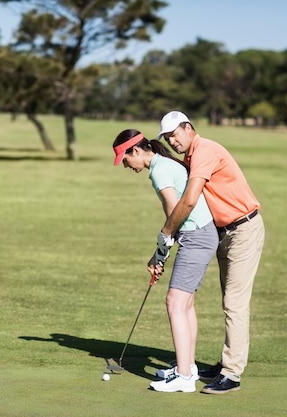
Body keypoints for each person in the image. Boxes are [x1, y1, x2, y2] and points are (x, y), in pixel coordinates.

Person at [152, 110, 265, 394]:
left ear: (188, 128)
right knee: (228, 301)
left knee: (234, 304)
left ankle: (232, 373)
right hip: (223, 232)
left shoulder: (205, 150)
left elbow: (189, 200)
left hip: (243, 228)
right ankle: (224, 363)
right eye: (167, 138)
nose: (172, 142)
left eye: (174, 135)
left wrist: (166, 233)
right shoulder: (191, 156)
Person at [112, 129, 218, 393]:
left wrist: (162, 246)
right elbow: (172, 219)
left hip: (196, 236)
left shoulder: (160, 170)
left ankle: (183, 377)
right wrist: (161, 251)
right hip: (198, 235)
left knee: (174, 302)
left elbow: (174, 213)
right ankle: (188, 367)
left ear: (135, 151)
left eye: (125, 160)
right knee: (186, 303)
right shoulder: (163, 165)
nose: (126, 166)